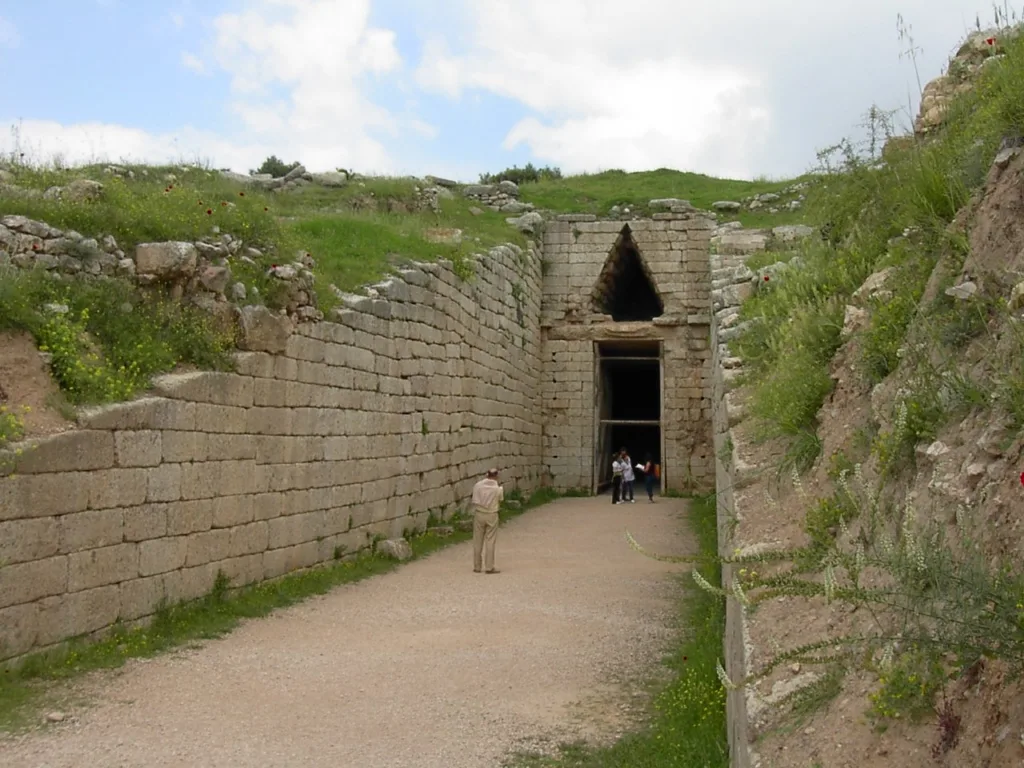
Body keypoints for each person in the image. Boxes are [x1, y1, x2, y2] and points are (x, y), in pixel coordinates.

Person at [471, 468, 504, 574]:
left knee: (477, 540)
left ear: (486, 475)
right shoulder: (498, 489)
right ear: (496, 476)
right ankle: (489, 567)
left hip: (479, 513)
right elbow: (500, 499)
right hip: (492, 514)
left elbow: (474, 498)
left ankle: (477, 566)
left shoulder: (477, 486)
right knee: (490, 540)